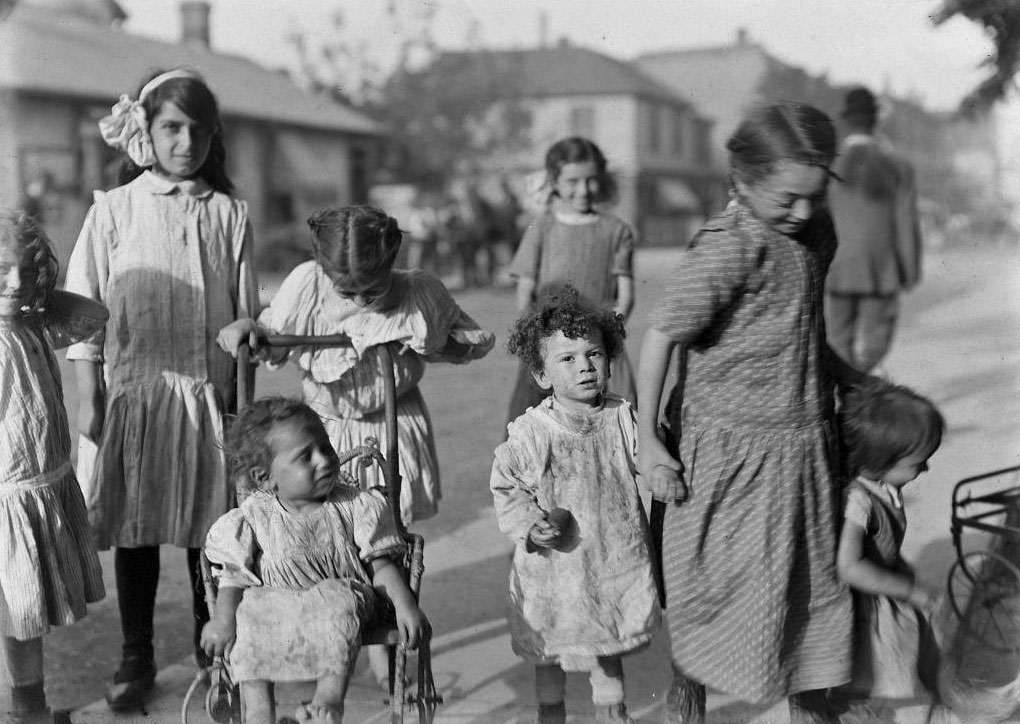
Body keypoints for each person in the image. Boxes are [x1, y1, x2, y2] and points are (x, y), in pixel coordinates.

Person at [636, 102, 865, 724]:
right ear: (741, 179)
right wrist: (648, 441)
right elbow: (660, 337)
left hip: (804, 451)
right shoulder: (730, 245)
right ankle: (690, 712)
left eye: (815, 197)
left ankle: (810, 712)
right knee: (714, 596)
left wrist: (851, 382)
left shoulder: (816, 234)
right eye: (788, 198)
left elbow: (800, 326)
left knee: (809, 595)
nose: (803, 212)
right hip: (732, 462)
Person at [217, 204, 493, 687]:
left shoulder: (416, 291)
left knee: (382, 531)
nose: (363, 299)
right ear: (324, 271)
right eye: (348, 290)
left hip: (390, 423)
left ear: (392, 263)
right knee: (311, 528)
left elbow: (459, 338)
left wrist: (428, 339)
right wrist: (249, 330)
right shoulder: (307, 285)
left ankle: (384, 644)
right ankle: (311, 631)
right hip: (320, 429)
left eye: (374, 288)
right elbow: (272, 337)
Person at [64, 68, 260, 710]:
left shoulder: (229, 214)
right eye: (171, 128)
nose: (185, 143)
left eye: (198, 130)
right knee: (139, 528)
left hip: (209, 400)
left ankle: (218, 651)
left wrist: (244, 336)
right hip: (138, 396)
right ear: (144, 131)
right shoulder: (115, 209)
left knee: (212, 530)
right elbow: (82, 307)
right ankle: (137, 653)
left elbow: (248, 310)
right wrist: (89, 390)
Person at [200, 397, 429, 724]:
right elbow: (234, 576)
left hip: (343, 601)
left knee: (338, 599)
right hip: (280, 605)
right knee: (247, 611)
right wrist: (223, 620)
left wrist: (405, 604)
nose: (323, 460)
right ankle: (258, 710)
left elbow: (382, 566)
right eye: (305, 457)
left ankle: (328, 699)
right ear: (265, 478)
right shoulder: (254, 516)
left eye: (325, 448)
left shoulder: (354, 505)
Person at [491, 286, 659, 724]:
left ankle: (613, 714)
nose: (584, 366)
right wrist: (530, 524)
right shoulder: (532, 432)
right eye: (567, 359)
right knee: (549, 655)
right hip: (554, 571)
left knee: (607, 652)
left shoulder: (623, 418)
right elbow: (508, 487)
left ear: (610, 358)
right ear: (542, 374)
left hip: (609, 561)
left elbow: (650, 461)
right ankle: (552, 716)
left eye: (594, 354)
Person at [0, 211, 106, 724]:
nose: (13, 282)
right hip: (9, 498)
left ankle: (30, 708)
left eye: (23, 270)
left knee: (26, 616)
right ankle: (26, 710)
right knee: (17, 614)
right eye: (0, 270)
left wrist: (36, 293)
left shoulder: (29, 323)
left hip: (38, 487)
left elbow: (93, 314)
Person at [505, 136, 637, 427]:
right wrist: (542, 346)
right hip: (550, 349)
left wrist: (603, 340)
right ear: (554, 181)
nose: (583, 190)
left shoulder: (617, 231)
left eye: (591, 180)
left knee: (616, 429)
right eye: (572, 181)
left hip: (598, 347)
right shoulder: (542, 227)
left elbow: (625, 298)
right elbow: (524, 294)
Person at [834, 379, 944, 710]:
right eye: (916, 463)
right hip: (867, 605)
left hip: (886, 590)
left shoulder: (882, 487)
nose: (925, 468)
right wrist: (906, 589)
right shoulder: (859, 501)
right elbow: (849, 565)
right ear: (879, 461)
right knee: (872, 675)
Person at [826, 86, 923, 373]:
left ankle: (848, 391)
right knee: (876, 339)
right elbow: (906, 223)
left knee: (837, 338)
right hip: (881, 269)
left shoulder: (830, 166)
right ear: (875, 121)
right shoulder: (897, 167)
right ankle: (864, 384)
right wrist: (909, 272)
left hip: (837, 268)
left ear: (845, 121)